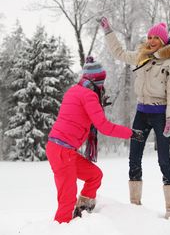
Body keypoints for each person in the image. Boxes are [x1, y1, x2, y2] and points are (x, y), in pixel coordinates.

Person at [98, 17, 170, 219]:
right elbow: (119, 53)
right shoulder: (142, 56)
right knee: (134, 159)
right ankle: (135, 206)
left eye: (156, 37)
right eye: (149, 36)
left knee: (164, 160)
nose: (151, 40)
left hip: (161, 115)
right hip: (141, 114)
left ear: (163, 40)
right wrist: (108, 32)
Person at [46, 56, 143, 223]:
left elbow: (80, 113)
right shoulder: (89, 96)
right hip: (62, 151)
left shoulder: (75, 90)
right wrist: (131, 133)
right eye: (101, 82)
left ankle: (82, 212)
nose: (102, 86)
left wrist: (98, 104)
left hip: (61, 149)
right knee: (66, 200)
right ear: (96, 81)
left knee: (94, 175)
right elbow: (103, 126)